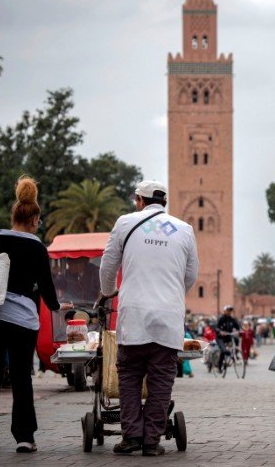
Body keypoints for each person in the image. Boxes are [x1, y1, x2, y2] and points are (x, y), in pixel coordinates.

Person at [0, 176, 71, 453]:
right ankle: (24, 437)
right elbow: (47, 291)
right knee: (22, 377)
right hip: (24, 322)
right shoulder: (37, 247)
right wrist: (60, 309)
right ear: (34, 218)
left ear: (14, 214)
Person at [100, 180, 198, 457]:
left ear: (139, 200)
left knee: (130, 376)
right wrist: (172, 296)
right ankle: (152, 441)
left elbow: (108, 265)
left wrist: (108, 292)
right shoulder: (185, 229)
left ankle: (131, 437)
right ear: (163, 202)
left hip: (134, 316)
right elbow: (190, 275)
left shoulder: (125, 222)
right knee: (161, 380)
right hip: (168, 318)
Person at [215, 305, 240, 371]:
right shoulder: (221, 318)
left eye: (230, 311)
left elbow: (238, 327)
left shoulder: (232, 319)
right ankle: (219, 366)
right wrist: (220, 332)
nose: (229, 312)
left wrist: (238, 331)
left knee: (236, 339)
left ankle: (235, 353)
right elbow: (216, 328)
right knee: (224, 351)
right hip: (220, 338)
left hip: (228, 336)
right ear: (224, 311)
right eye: (228, 310)